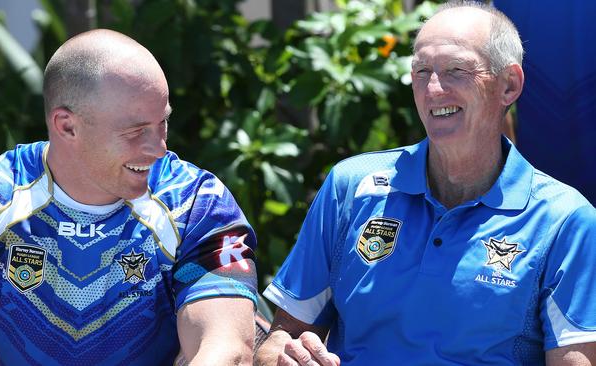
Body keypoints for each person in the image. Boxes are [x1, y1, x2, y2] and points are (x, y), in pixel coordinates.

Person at [254, 2, 596, 365]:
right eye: (421, 71)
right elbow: (280, 341)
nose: (433, 89)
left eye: (456, 70)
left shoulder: (565, 220)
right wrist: (286, 356)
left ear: (508, 85)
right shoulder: (351, 187)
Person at [0, 29, 258, 365]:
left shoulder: (196, 203)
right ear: (67, 126)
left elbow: (226, 348)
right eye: (136, 131)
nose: (158, 148)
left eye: (162, 123)